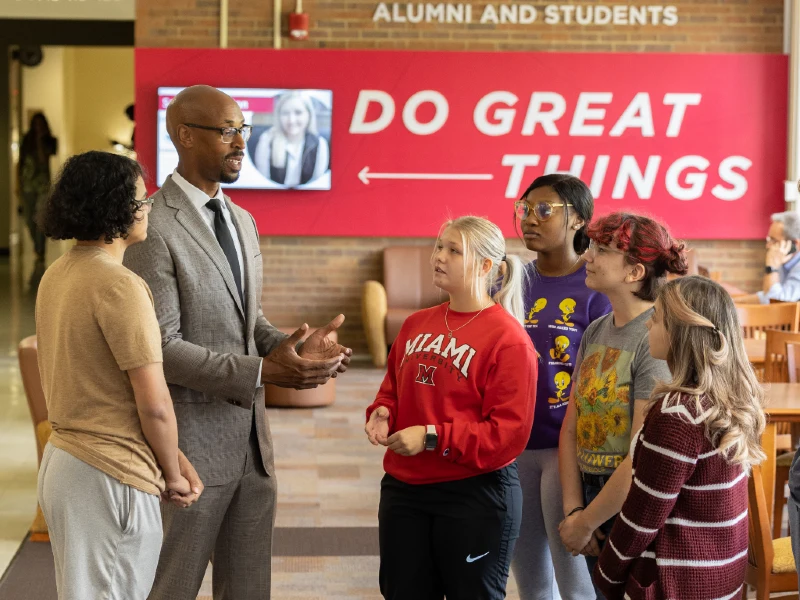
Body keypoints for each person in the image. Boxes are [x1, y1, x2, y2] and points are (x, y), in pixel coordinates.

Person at [123, 85, 352, 600]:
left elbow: (249, 322)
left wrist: (299, 347)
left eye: (243, 129)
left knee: (249, 590)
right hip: (188, 451)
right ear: (185, 135)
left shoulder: (242, 219)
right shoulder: (152, 226)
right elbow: (161, 347)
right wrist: (265, 371)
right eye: (227, 131)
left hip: (253, 447)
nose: (242, 142)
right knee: (172, 588)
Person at [35, 151, 203, 600]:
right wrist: (173, 475)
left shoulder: (58, 273)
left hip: (66, 463)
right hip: (109, 474)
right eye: (141, 199)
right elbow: (153, 402)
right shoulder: (120, 285)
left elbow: (102, 390)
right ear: (115, 207)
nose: (147, 207)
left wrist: (173, 460)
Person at [365, 216, 536, 600]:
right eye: (439, 246)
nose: (438, 257)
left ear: (486, 265)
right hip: (404, 490)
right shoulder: (415, 324)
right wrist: (382, 411)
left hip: (474, 494)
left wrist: (431, 437)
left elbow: (507, 435)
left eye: (454, 250)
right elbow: (392, 389)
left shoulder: (509, 339)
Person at [594, 276, 765, 600]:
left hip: (677, 582)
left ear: (681, 333)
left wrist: (605, 573)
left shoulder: (677, 417)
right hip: (721, 575)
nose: (648, 325)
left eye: (656, 318)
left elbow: (642, 517)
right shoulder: (726, 399)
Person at [557, 212, 688, 599]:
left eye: (601, 250)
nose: (587, 256)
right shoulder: (597, 330)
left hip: (631, 504)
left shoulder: (654, 339)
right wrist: (574, 512)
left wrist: (587, 521)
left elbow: (641, 456)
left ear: (634, 272)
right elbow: (571, 428)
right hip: (590, 500)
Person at [510, 174, 611, 600]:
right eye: (525, 209)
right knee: (531, 582)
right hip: (513, 447)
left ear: (578, 219)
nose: (530, 219)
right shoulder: (511, 282)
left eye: (544, 210)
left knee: (576, 585)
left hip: (567, 451)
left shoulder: (596, 286)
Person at [253, 91, 330, 187]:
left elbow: (316, 185)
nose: (291, 120)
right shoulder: (267, 140)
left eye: (298, 112)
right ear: (278, 116)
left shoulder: (320, 144)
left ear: (309, 115)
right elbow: (263, 185)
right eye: (285, 113)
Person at [736, 211, 800, 304]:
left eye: (774, 240)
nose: (768, 245)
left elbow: (776, 302)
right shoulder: (785, 261)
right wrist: (733, 303)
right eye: (769, 239)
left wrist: (772, 267)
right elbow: (767, 296)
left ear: (795, 244)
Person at [18, 112, 57, 263]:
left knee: (40, 216)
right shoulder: (26, 140)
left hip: (43, 184)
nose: (38, 127)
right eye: (36, 124)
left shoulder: (50, 141)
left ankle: (40, 249)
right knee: (29, 218)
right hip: (27, 183)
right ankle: (37, 245)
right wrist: (18, 183)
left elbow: (43, 159)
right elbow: (20, 163)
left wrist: (40, 140)